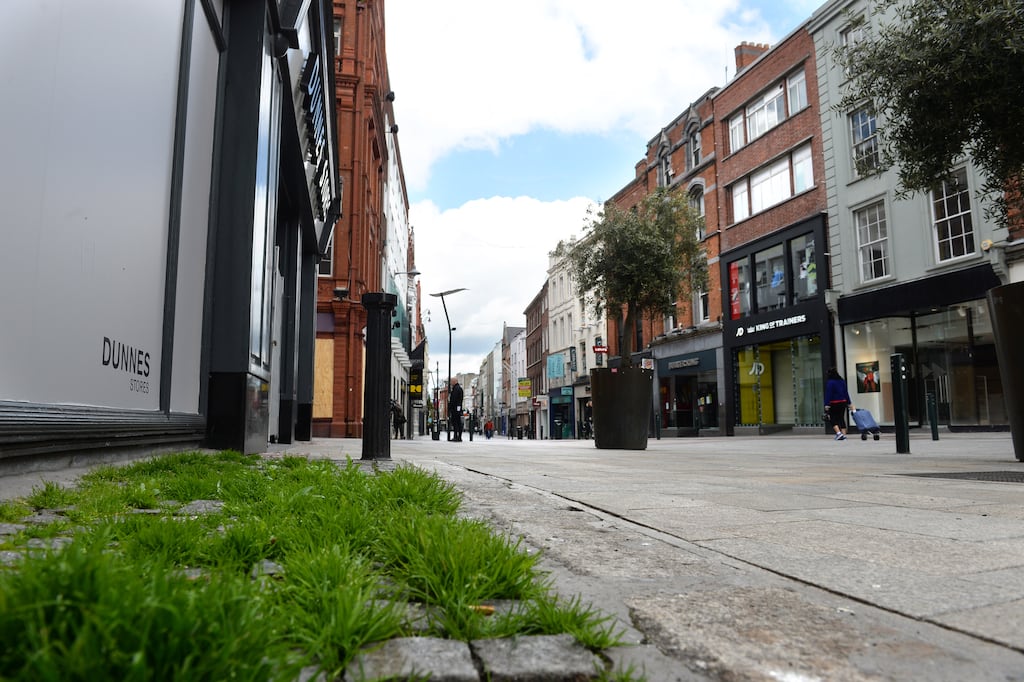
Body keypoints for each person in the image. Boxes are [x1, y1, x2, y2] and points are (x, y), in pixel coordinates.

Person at [824, 367, 852, 441]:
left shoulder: (830, 382)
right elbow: (846, 392)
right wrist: (849, 402)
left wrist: (826, 404)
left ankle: (839, 433)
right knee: (841, 418)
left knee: (832, 418)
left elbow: (828, 394)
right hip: (843, 402)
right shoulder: (842, 381)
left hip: (834, 403)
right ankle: (844, 435)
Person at [448, 378, 464, 442]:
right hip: (457, 408)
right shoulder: (458, 388)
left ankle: (457, 437)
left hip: (455, 409)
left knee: (456, 423)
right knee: (458, 423)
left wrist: (450, 407)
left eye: (451, 381)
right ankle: (458, 436)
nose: (450, 383)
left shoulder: (456, 389)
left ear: (455, 381)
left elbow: (453, 400)